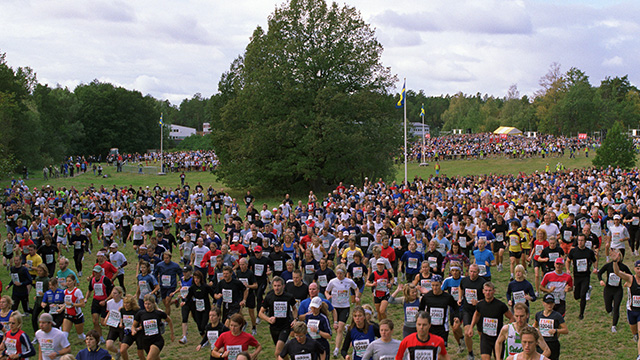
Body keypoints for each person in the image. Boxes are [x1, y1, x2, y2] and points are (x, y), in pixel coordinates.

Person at [466, 282, 514, 360]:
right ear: (483, 291)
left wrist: (507, 329)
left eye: (490, 290)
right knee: (485, 358)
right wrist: (471, 327)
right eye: (486, 290)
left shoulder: (500, 305)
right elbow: (476, 314)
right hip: (485, 337)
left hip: (498, 337)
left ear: (494, 291)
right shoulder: (480, 305)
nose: (488, 293)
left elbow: (512, 318)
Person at [325, 264, 360, 358]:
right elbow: (326, 291)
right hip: (335, 308)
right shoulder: (332, 282)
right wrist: (328, 296)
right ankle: (345, 329)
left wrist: (356, 296)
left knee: (339, 328)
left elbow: (356, 288)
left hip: (345, 307)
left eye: (341, 273)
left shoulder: (349, 281)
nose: (339, 275)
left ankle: (336, 350)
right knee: (337, 329)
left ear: (344, 273)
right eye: (337, 273)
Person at [259, 276, 297, 359]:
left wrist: (295, 319)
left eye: (279, 286)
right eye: (275, 286)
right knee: (282, 352)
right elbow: (260, 313)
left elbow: (294, 309)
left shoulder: (288, 297)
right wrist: (268, 319)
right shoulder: (269, 297)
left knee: (278, 352)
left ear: (283, 286)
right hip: (274, 327)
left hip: (285, 326)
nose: (277, 288)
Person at [418, 274, 460, 346]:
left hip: (442, 328)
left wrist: (456, 317)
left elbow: (456, 308)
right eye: (433, 285)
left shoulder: (447, 297)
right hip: (429, 327)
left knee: (441, 349)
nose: (435, 288)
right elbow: (421, 310)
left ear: (441, 284)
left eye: (437, 285)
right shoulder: (427, 297)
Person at [132, 294, 174, 360]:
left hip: (157, 340)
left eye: (149, 304)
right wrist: (133, 330)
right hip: (146, 341)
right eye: (145, 304)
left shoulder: (158, 313)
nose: (147, 306)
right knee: (155, 358)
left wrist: (172, 334)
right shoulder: (140, 314)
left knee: (149, 358)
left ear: (153, 304)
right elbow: (134, 325)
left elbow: (169, 320)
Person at [598, 250, 631, 333]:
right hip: (608, 289)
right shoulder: (608, 266)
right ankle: (610, 311)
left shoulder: (623, 267)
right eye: (616, 256)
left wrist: (627, 282)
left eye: (619, 256)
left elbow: (630, 276)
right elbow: (600, 273)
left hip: (618, 290)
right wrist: (601, 280)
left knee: (616, 308)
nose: (617, 258)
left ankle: (614, 326)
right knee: (608, 308)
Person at [458, 264, 485, 360]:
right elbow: (460, 287)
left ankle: (484, 352)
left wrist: (478, 302)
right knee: (467, 332)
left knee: (481, 334)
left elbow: (487, 299)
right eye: (471, 271)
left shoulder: (482, 283)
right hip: (467, 310)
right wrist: (460, 298)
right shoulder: (464, 280)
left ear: (478, 272)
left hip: (479, 311)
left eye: (474, 272)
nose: (472, 274)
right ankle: (470, 353)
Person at [567, 233, 596, 320]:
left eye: (582, 240)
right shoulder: (573, 251)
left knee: (583, 295)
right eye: (579, 240)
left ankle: (581, 314)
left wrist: (595, 268)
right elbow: (568, 260)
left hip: (586, 276)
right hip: (577, 276)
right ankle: (588, 288)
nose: (580, 242)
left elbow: (594, 261)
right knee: (577, 296)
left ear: (585, 241)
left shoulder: (589, 252)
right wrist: (568, 269)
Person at [533, 294, 567, 360]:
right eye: (548, 303)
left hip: (553, 343)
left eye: (551, 303)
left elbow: (565, 330)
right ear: (543, 303)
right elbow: (535, 326)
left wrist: (556, 330)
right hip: (541, 344)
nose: (550, 305)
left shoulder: (557, 316)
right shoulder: (538, 315)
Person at [87, 265, 114, 343]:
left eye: (97, 272)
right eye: (94, 272)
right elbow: (90, 290)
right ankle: (100, 337)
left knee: (103, 322)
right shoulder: (92, 280)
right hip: (96, 301)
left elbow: (112, 292)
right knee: (95, 321)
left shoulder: (105, 280)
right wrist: (86, 298)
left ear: (100, 272)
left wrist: (105, 301)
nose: (95, 273)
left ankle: (114, 330)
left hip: (104, 302)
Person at [154, 251, 182, 318]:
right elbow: (155, 273)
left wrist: (181, 280)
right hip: (163, 286)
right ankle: (175, 301)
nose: (165, 260)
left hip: (171, 286)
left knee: (167, 302)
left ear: (170, 258)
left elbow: (180, 273)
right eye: (164, 258)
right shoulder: (160, 265)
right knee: (165, 303)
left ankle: (167, 318)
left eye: (167, 258)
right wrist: (156, 282)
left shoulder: (175, 266)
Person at [101, 286, 124, 359]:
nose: (113, 295)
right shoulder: (109, 302)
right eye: (112, 293)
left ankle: (123, 356)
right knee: (109, 345)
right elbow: (109, 312)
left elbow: (125, 315)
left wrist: (121, 323)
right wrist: (106, 319)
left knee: (122, 346)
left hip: (121, 326)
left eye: (115, 293)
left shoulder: (123, 303)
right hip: (113, 325)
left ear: (120, 294)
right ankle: (118, 352)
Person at [62, 274, 86, 340]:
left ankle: (88, 341)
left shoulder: (77, 291)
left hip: (77, 316)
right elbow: (65, 304)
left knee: (80, 336)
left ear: (74, 281)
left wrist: (72, 304)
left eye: (70, 281)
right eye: (67, 281)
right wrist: (61, 308)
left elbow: (83, 304)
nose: (68, 283)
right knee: (64, 335)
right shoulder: (65, 292)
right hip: (68, 315)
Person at [117, 294, 141, 360]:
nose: (126, 305)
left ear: (132, 304)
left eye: (127, 303)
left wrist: (137, 329)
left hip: (138, 333)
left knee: (140, 354)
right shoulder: (122, 310)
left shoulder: (137, 311)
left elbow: (142, 324)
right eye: (124, 303)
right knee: (122, 350)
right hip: (128, 333)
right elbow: (122, 317)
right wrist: (121, 323)